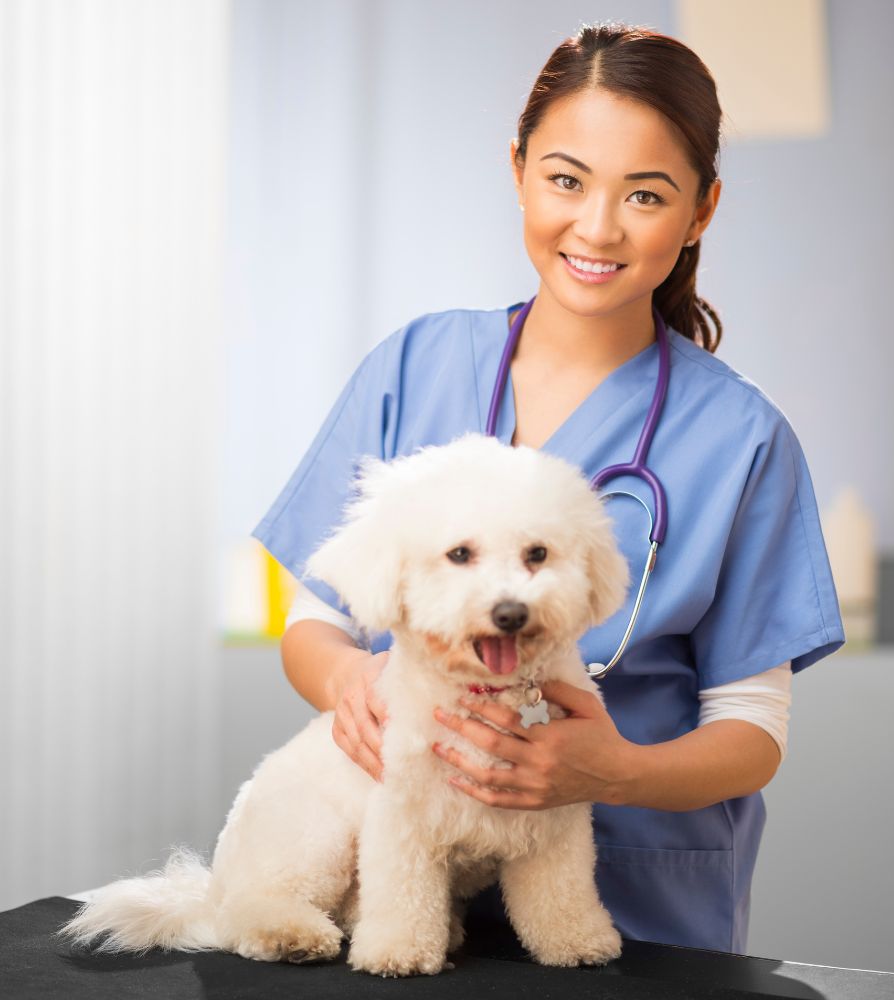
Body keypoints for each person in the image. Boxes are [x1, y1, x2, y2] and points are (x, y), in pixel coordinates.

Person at [252, 22, 845, 956]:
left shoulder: (742, 439)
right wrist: (352, 684)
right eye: (566, 179)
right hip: (396, 901)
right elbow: (313, 624)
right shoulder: (415, 364)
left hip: (641, 913)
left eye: (645, 195)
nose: (598, 227)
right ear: (520, 169)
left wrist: (614, 772)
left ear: (701, 211)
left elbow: (752, 730)